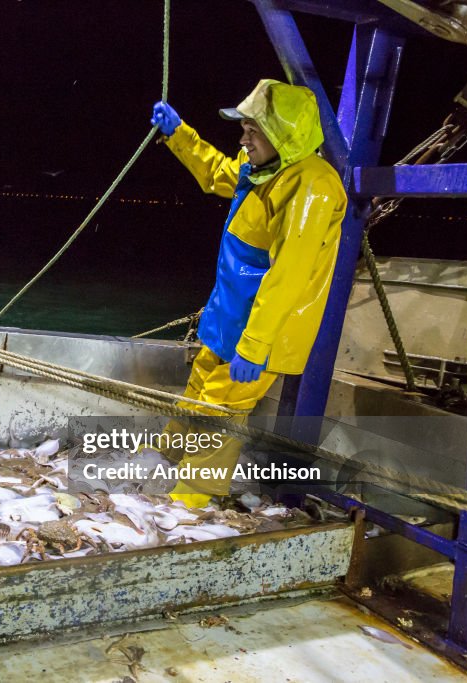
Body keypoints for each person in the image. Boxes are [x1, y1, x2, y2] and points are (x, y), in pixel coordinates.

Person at [149, 79, 347, 507]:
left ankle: (187, 506)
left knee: (220, 413)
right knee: (197, 391)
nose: (243, 138)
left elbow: (289, 275)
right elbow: (217, 173)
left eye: (252, 131)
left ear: (283, 135)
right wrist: (177, 134)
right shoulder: (260, 166)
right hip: (229, 316)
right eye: (245, 129)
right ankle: (157, 470)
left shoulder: (311, 186)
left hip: (263, 329)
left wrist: (255, 347)